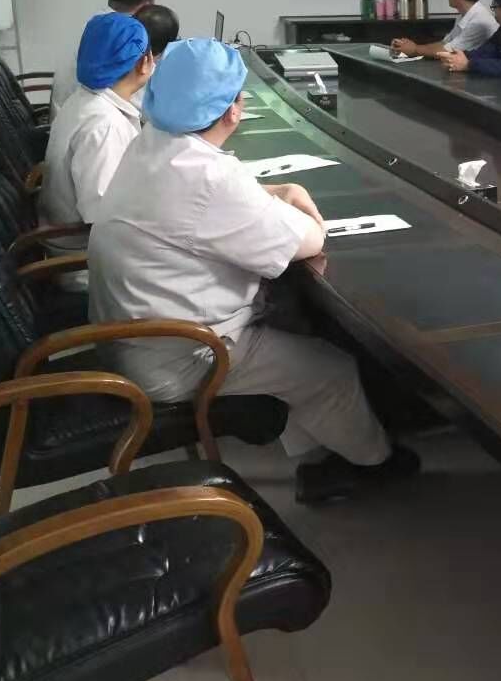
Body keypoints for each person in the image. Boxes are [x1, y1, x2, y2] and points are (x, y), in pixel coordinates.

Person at [87, 38, 418, 502]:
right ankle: (374, 463)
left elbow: (205, 207)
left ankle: (321, 441)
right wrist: (297, 201)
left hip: (130, 336)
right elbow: (308, 241)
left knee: (291, 314)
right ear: (233, 110)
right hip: (180, 355)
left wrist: (276, 194)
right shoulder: (207, 177)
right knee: (331, 369)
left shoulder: (151, 144)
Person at [40, 11, 164, 279]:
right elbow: (106, 219)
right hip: (84, 264)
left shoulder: (86, 98)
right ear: (145, 63)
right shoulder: (104, 126)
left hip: (82, 244)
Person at [50, 0, 159, 117]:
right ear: (147, 5)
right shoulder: (126, 37)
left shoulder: (94, 24)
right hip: (92, 120)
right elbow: (143, 105)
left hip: (68, 115)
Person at [389, 0, 495, 58]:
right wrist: (408, 46)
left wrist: (415, 49)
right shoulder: (465, 14)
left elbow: (447, 51)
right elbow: (445, 43)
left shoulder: (478, 21)